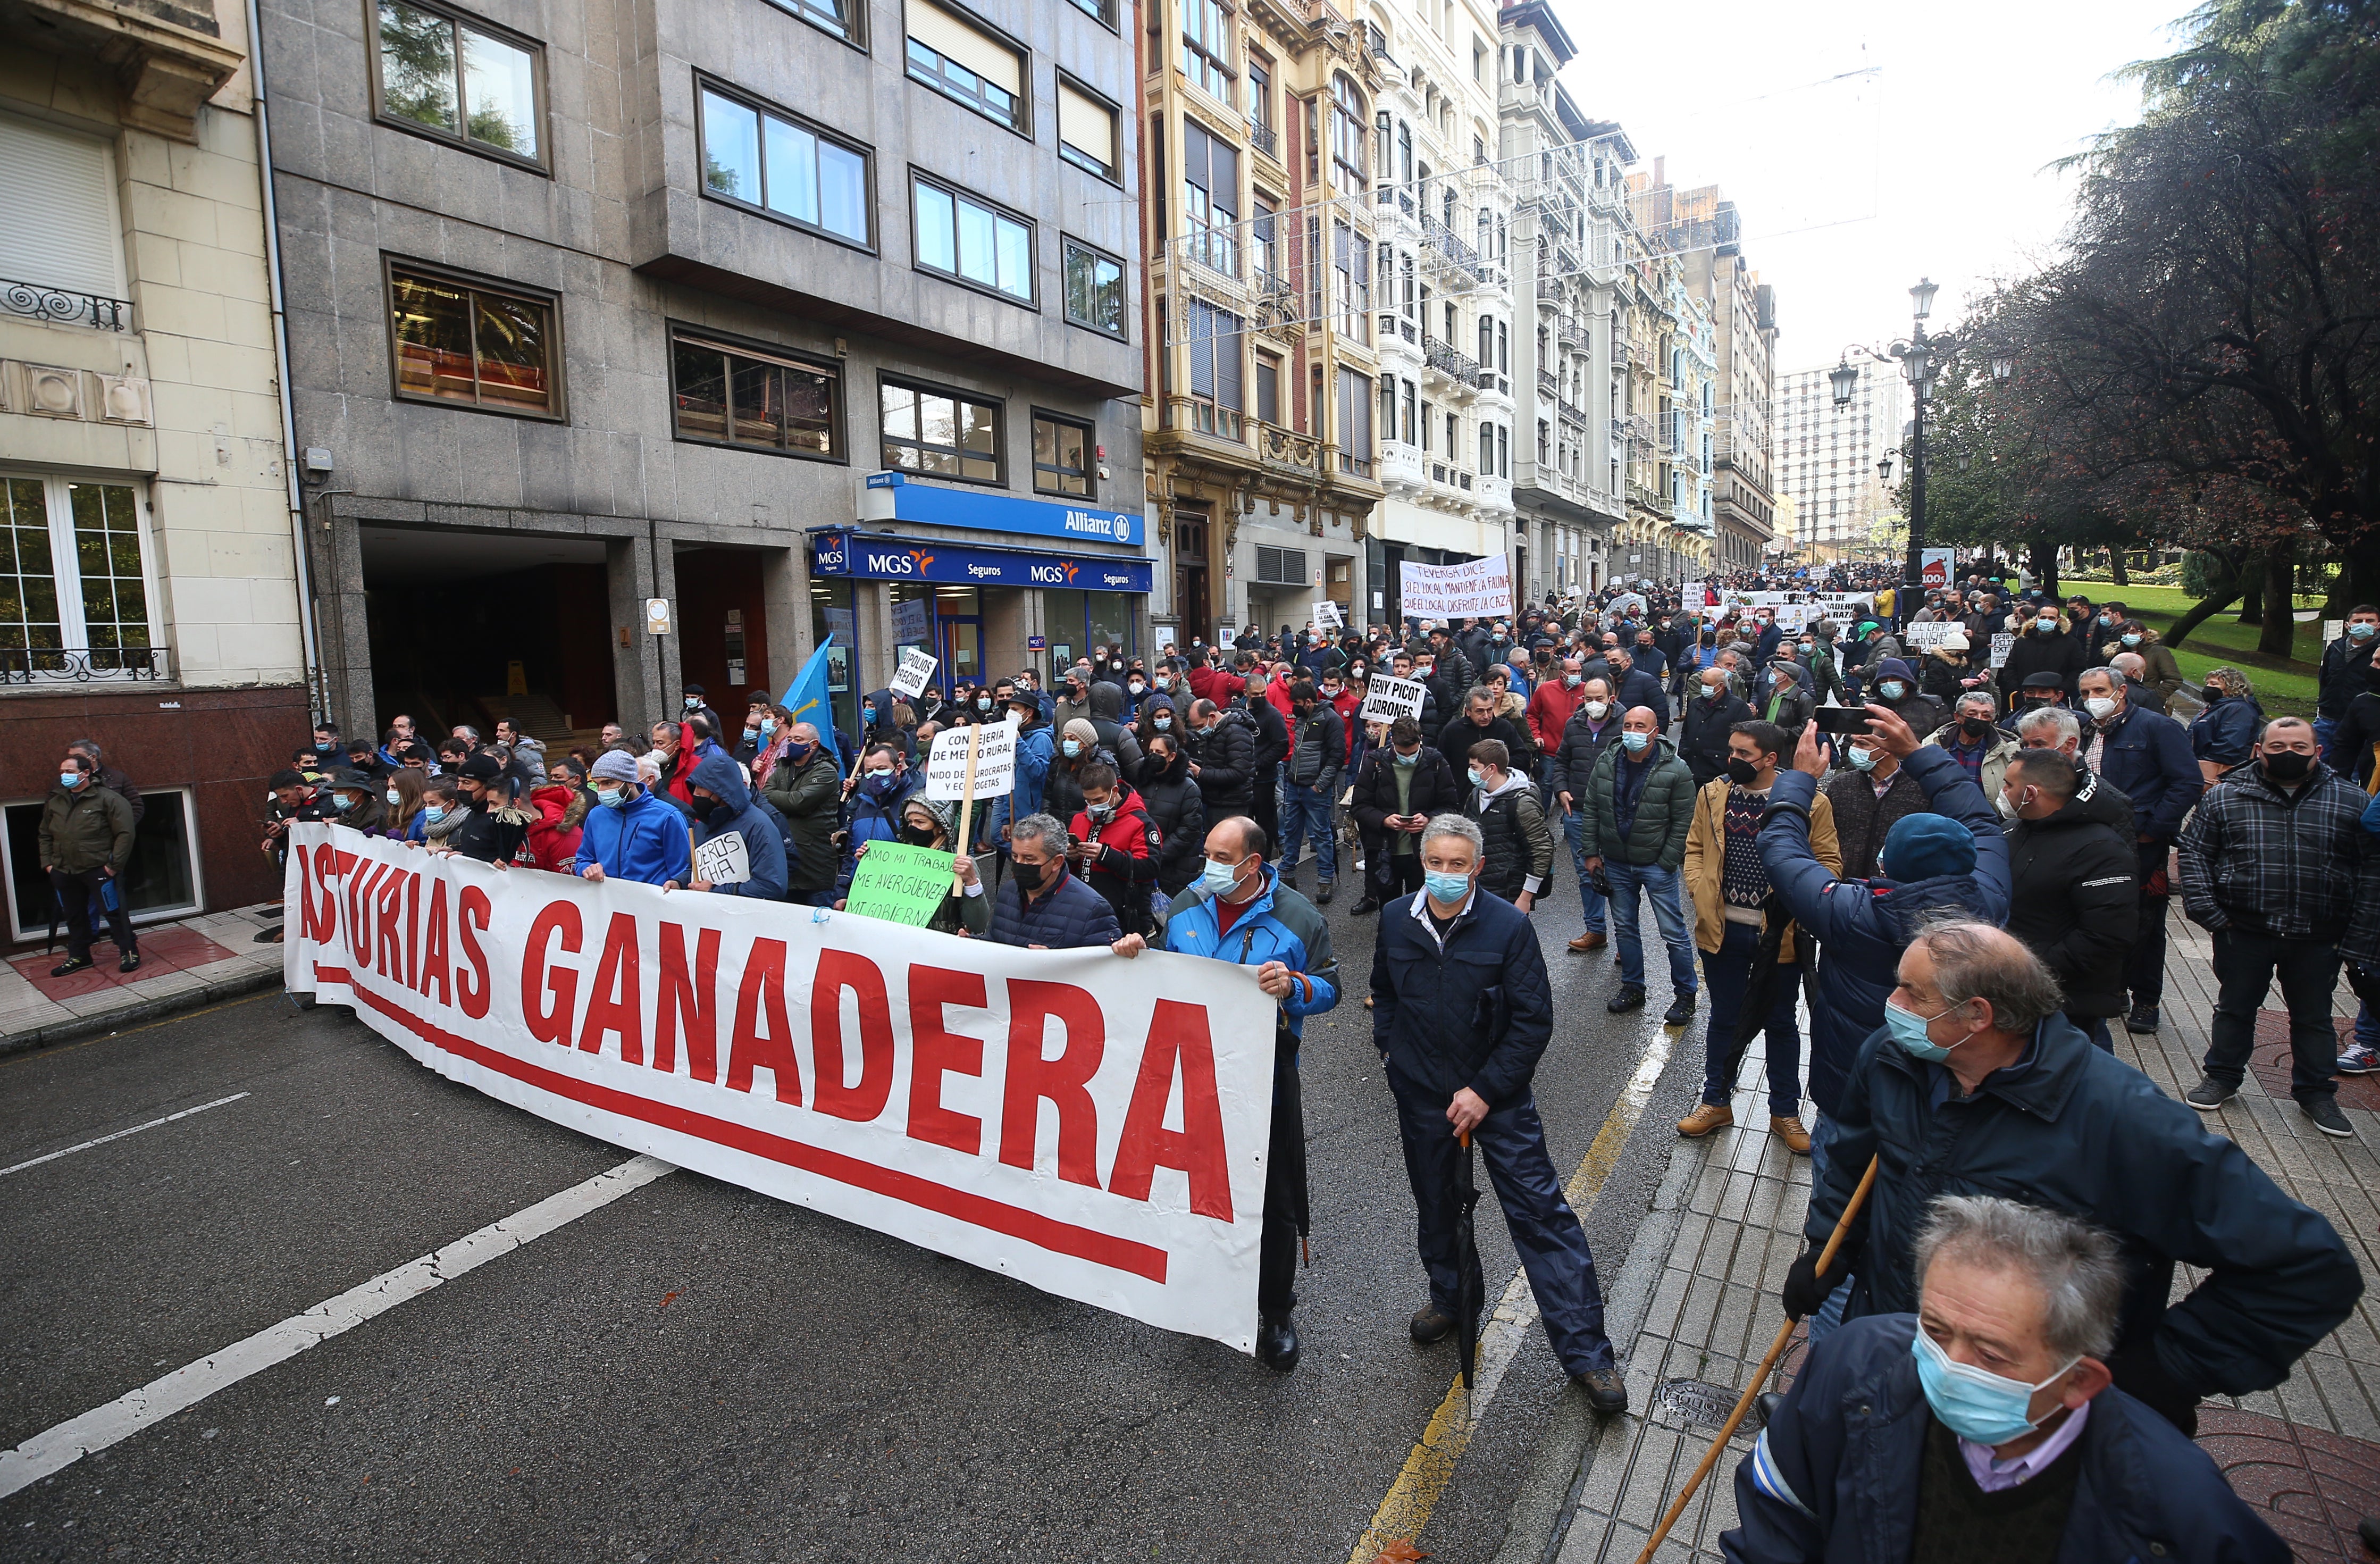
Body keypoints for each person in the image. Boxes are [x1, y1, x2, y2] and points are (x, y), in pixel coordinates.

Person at [1786, 918, 2363, 1436]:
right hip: (1900, 1366)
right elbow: (1857, 1159)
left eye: (1912, 992)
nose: (1892, 1003)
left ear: (1978, 1015)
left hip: (2033, 1413)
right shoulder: (1892, 1058)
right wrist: (1828, 1248)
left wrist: (2169, 1367)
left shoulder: (2124, 1118)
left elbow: (2307, 1266)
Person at [1731, 1193, 2290, 1564]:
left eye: (1993, 1354)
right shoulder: (1852, 1365)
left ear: (2080, 1381)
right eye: (1935, 1328)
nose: (1948, 1365)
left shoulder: (2184, 1510)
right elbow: (1776, 1523)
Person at [1367, 815, 1628, 1412]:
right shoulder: (1394, 919)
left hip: (1498, 1099)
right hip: (1423, 1096)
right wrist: (1391, 1052)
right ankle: (1452, 1297)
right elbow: (1383, 993)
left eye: (1459, 865)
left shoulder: (1508, 927)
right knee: (1436, 1205)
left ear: (1477, 868)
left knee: (1540, 1216)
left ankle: (1588, 1354)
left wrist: (1484, 1090)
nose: (1446, 874)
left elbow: (1533, 1021)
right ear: (1423, 860)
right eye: (1437, 862)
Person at [1112, 815, 1335, 1370]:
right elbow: (1165, 956)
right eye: (1207, 852)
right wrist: (1141, 949)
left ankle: (1276, 1312)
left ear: (1253, 863)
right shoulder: (1188, 902)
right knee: (1197, 1190)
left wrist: (1295, 987)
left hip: (1264, 1077)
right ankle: (1204, 1298)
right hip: (1192, 1074)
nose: (1207, 864)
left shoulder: (1299, 918)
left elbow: (1332, 985)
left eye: (1219, 855)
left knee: (1275, 1200)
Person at [2179, 716, 2380, 1138]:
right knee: (2235, 1008)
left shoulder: (2351, 800)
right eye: (2278, 746)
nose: (2288, 754)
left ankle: (2317, 1094)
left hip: (2319, 934)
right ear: (2258, 750)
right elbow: (2196, 854)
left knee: (2314, 1018)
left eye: (2299, 746)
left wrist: (2358, 937)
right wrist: (2209, 914)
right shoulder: (2226, 797)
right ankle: (2222, 1076)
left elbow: (2371, 872)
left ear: (2317, 751)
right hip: (2244, 928)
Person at [1679, 721, 1837, 1151]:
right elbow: (1694, 849)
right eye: (1731, 751)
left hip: (1779, 937)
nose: (1733, 761)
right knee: (1725, 1018)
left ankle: (1784, 1112)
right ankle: (1716, 1100)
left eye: (1743, 754)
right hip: (1723, 930)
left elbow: (1828, 862)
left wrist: (1801, 901)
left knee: (1781, 1023)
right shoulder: (1712, 794)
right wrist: (1699, 887)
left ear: (1771, 759)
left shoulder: (1810, 803)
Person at [1999, 750, 2138, 1051]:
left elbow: (2107, 935)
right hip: (2012, 992)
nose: (2003, 791)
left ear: (2032, 793)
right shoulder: (2015, 831)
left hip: (2064, 1003)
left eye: (2009, 785)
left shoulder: (2101, 850)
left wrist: (2029, 971)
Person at [1580, 706, 1699, 1023]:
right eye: (1628, 724)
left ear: (1655, 731)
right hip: (1617, 863)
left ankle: (1686, 994)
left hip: (1656, 865)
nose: (1632, 730)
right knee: (1625, 928)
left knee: (1672, 931)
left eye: (1640, 726)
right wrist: (1591, 855)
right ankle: (1633, 987)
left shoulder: (1676, 770)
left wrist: (1667, 860)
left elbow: (1684, 821)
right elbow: (1591, 809)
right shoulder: (1606, 763)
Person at [40, 750, 139, 976]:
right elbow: (45, 834)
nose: (64, 775)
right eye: (62, 771)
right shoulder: (57, 801)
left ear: (85, 773)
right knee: (75, 915)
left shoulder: (109, 799)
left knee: (113, 913)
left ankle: (129, 952)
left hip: (99, 868)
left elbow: (125, 834)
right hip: (64, 870)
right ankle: (80, 956)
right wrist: (49, 864)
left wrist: (114, 866)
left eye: (69, 771)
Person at [1553, 678, 1631, 951]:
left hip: (1614, 814)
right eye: (1588, 699)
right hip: (1579, 810)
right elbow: (1562, 761)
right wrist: (1561, 789)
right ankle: (1596, 929)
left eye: (1599, 699)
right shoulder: (1574, 725)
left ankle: (1626, 939)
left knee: (1620, 876)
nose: (1593, 705)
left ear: (1612, 699)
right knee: (1588, 872)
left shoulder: (1626, 726)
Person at [990, 813, 1122, 949]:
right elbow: (995, 945)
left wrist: (1055, 962)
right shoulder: (1008, 892)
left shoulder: (1092, 910)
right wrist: (969, 941)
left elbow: (1104, 965)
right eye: (1015, 856)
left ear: (1056, 862)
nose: (1019, 864)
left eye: (1029, 859)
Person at [1825, 707, 1928, 882]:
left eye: (1863, 744)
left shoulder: (1921, 789)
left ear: (1888, 747)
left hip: (1894, 891)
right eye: (1853, 743)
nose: (1854, 749)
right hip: (1843, 889)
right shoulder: (1841, 785)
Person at [1065, 760, 1159, 936]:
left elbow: (1150, 869)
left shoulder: (1141, 823)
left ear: (1114, 791)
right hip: (1082, 912)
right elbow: (1069, 870)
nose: (1092, 806)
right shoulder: (1080, 819)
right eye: (1088, 800)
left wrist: (1106, 855)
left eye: (1098, 800)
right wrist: (1071, 857)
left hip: (1122, 918)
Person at [574, 750, 693, 887]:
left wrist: (677, 885)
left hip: (652, 903)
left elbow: (683, 870)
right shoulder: (596, 815)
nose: (601, 790)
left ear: (630, 782)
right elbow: (584, 859)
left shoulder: (668, 816)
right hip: (608, 902)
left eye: (608, 783)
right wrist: (587, 869)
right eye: (598, 784)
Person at [1463, 739, 1553, 910]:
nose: (1470, 772)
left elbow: (1542, 851)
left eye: (1474, 768)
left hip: (1510, 895)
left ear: (1491, 769)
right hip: (1479, 889)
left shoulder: (1522, 805)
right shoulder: (1475, 795)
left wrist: (1526, 898)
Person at [685, 754, 788, 901]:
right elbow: (693, 870)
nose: (696, 793)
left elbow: (772, 886)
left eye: (702, 787)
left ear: (721, 790)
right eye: (695, 787)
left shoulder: (758, 825)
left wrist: (716, 891)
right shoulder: (702, 826)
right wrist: (679, 882)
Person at [1924, 691, 2019, 804]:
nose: (1979, 719)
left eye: (1986, 716)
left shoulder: (2009, 749)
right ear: (1958, 717)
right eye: (1972, 714)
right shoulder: (1933, 744)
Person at [2315, 603, 2380, 757]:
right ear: (2347, 625)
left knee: (2353, 773)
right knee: (2315, 765)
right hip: (2327, 720)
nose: (2364, 625)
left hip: (2362, 724)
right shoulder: (2335, 648)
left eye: (2370, 621)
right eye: (2358, 621)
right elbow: (2324, 680)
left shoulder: (2378, 654)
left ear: (2378, 625)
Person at [1997, 602, 2085, 706]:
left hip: (2057, 700)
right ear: (2037, 619)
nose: (2047, 620)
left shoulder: (2071, 643)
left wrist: (2061, 691)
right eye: (2043, 617)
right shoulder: (2022, 642)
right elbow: (2010, 668)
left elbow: (2078, 670)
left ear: (2058, 621)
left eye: (2051, 618)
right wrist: (2018, 691)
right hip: (2024, 699)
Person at [2188, 666, 2261, 784]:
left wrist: (2203, 764)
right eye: (2207, 683)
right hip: (2200, 769)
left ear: (2232, 688)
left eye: (2214, 684)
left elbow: (2230, 745)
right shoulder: (2216, 707)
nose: (2208, 687)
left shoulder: (2240, 710)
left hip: (2219, 776)